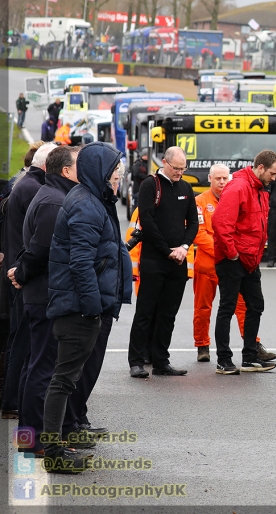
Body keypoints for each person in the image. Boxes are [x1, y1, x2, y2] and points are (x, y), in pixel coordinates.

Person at [41, 142, 132, 473]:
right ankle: (53, 451)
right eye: (114, 172)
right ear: (99, 172)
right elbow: (80, 263)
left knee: (66, 379)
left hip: (80, 307)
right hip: (79, 310)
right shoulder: (85, 205)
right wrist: (94, 307)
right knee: (63, 380)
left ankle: (59, 442)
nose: (117, 177)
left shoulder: (90, 201)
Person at [8, 145, 78, 456]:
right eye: (78, 165)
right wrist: (21, 272)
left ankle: (28, 437)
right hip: (45, 294)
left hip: (42, 292)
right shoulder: (54, 201)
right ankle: (32, 441)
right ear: (65, 171)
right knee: (42, 368)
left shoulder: (52, 195)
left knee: (35, 366)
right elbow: (41, 250)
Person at [128, 147, 198, 378]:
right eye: (176, 168)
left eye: (183, 168)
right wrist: (165, 250)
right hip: (154, 259)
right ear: (165, 162)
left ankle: (161, 360)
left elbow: (193, 224)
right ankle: (137, 361)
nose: (179, 172)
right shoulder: (150, 185)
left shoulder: (186, 187)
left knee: (168, 314)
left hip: (177, 261)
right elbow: (146, 220)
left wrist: (184, 247)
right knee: (146, 312)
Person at [192, 164, 272, 364]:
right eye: (217, 178)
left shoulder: (237, 195)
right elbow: (199, 233)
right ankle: (202, 344)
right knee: (203, 307)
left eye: (224, 178)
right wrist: (225, 249)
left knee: (244, 306)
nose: (221, 182)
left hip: (231, 260)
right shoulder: (199, 202)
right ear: (209, 178)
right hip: (208, 264)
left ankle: (252, 344)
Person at [212, 150, 276, 375]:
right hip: (234, 259)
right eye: (272, 173)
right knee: (227, 308)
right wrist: (232, 254)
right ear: (260, 168)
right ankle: (224, 360)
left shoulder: (260, 189)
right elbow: (221, 224)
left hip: (249, 259)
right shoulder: (239, 187)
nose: (274, 178)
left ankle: (250, 357)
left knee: (255, 305)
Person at [1, 142, 55, 417]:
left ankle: (12, 400)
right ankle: (13, 401)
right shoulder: (35, 189)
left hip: (16, 270)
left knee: (20, 341)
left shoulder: (26, 184)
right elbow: (38, 243)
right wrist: (21, 272)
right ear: (47, 166)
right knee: (24, 344)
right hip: (22, 276)